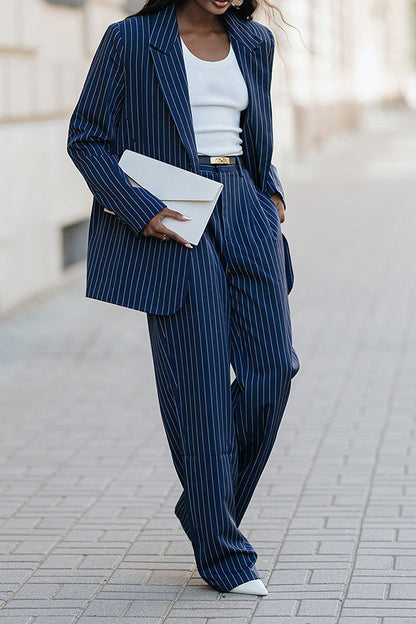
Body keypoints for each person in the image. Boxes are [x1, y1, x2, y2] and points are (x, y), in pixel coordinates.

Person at [67, 0, 299, 596]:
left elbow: (258, 138)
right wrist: (141, 211)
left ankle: (204, 508)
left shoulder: (253, 42)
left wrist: (269, 199)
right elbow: (86, 137)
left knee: (273, 371)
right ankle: (221, 551)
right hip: (175, 212)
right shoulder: (131, 40)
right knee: (197, 386)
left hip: (244, 204)